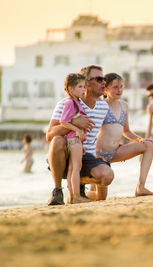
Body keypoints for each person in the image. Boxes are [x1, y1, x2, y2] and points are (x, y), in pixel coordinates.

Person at [46, 65, 113, 205]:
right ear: (86, 83)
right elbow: (50, 135)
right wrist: (75, 123)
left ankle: (78, 187)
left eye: (104, 79)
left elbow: (109, 131)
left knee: (107, 176)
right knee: (57, 140)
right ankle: (57, 191)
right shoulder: (65, 103)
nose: (104, 83)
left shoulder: (104, 106)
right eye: (99, 79)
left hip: (86, 155)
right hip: (64, 154)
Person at [93, 73, 153, 197]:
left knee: (149, 145)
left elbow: (126, 131)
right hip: (99, 155)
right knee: (100, 198)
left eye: (121, 86)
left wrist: (140, 139)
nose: (119, 90)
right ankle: (81, 195)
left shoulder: (124, 106)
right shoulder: (100, 105)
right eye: (115, 87)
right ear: (106, 89)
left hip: (117, 152)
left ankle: (140, 187)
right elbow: (91, 131)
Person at [59, 73, 90, 204]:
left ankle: (72, 197)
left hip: (76, 140)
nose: (84, 89)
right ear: (71, 89)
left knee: (72, 168)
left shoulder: (76, 102)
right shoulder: (70, 102)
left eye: (84, 87)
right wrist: (77, 129)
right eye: (80, 87)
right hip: (74, 139)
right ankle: (77, 196)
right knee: (77, 167)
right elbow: (63, 121)